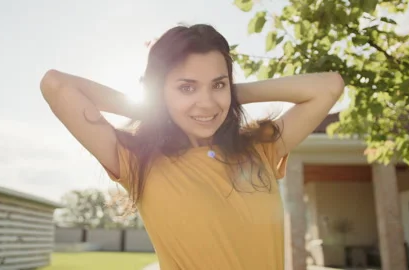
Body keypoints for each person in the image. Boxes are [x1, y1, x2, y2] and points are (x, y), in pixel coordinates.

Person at [40, 24, 344, 270]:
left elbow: (329, 86)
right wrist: (159, 107)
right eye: (187, 87)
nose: (207, 103)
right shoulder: (136, 160)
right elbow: (56, 85)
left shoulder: (259, 148)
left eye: (218, 84)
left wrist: (234, 93)